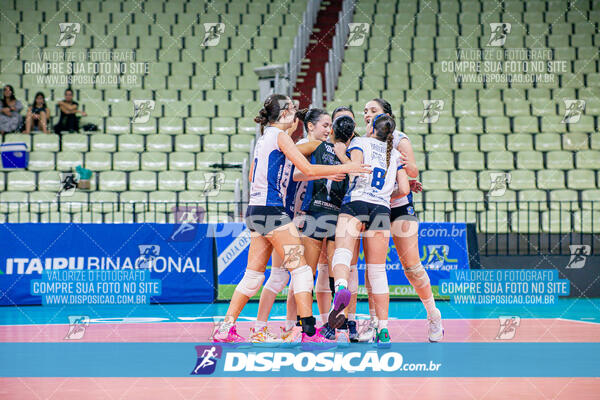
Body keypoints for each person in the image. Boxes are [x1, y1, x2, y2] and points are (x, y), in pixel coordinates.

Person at [211, 94, 370, 343]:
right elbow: (306, 170)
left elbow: (263, 172)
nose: (297, 115)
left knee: (253, 277)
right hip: (273, 212)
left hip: (256, 210)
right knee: (303, 272)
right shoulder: (280, 136)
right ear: (284, 114)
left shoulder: (266, 138)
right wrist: (345, 167)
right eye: (293, 110)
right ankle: (306, 331)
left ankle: (226, 327)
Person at [361, 98, 443, 342]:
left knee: (412, 268)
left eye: (373, 110)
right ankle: (376, 323)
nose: (367, 114)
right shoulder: (362, 140)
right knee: (373, 269)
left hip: (398, 207)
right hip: (375, 207)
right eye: (365, 111)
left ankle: (433, 315)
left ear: (386, 114)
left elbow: (414, 170)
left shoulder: (399, 139)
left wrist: (402, 178)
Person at [251, 107, 333, 343]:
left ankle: (288, 327)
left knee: (293, 277)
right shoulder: (300, 147)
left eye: (330, 126)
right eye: (325, 125)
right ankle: (271, 328)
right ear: (310, 126)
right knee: (285, 276)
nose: (329, 130)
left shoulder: (321, 150)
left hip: (298, 218)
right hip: (286, 216)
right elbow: (298, 174)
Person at [330, 113, 410, 346]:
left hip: (356, 201)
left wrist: (339, 154)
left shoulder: (359, 142)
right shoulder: (395, 154)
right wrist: (385, 195)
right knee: (377, 271)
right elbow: (404, 188)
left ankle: (342, 288)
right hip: (381, 209)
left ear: (373, 128)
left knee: (343, 253)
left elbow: (353, 169)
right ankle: (383, 330)